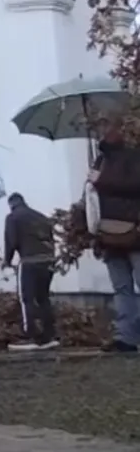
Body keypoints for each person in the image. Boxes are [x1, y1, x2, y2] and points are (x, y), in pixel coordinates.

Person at [88, 122, 140, 353]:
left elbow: (135, 185)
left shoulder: (133, 157)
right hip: (107, 234)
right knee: (122, 288)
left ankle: (128, 335)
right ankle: (125, 337)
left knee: (129, 286)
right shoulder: (99, 161)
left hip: (134, 232)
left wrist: (101, 180)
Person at [2, 191, 59, 351]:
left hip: (29, 261)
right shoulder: (42, 217)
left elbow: (11, 241)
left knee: (26, 298)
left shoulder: (13, 217)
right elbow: (50, 240)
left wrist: (7, 260)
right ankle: (49, 337)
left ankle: (31, 336)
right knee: (43, 298)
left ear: (11, 204)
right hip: (48, 261)